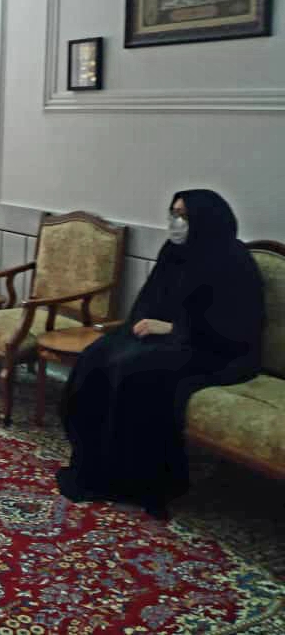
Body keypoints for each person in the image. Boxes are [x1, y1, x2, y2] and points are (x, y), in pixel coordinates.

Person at [58, 189, 264, 519]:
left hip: (214, 350)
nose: (175, 222)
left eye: (183, 215)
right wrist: (142, 327)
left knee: (135, 370)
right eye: (173, 213)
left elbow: (234, 328)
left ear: (206, 219)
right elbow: (150, 300)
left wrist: (171, 329)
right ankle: (93, 464)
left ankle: (139, 482)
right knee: (96, 356)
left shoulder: (232, 261)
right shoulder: (174, 251)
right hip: (167, 339)